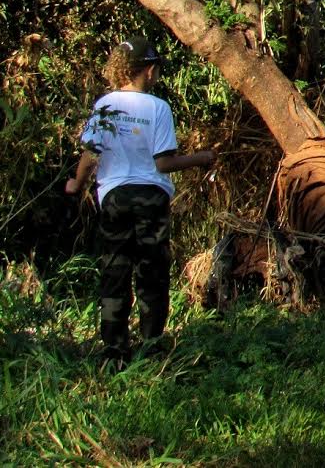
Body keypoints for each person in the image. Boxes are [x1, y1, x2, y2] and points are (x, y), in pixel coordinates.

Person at [65, 36, 215, 365]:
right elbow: (163, 164)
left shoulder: (104, 105)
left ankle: (114, 353)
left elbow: (90, 153)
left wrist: (75, 184)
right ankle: (151, 349)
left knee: (115, 271)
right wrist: (201, 158)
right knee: (153, 272)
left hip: (115, 198)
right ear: (148, 70)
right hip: (151, 197)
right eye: (156, 69)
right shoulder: (158, 108)